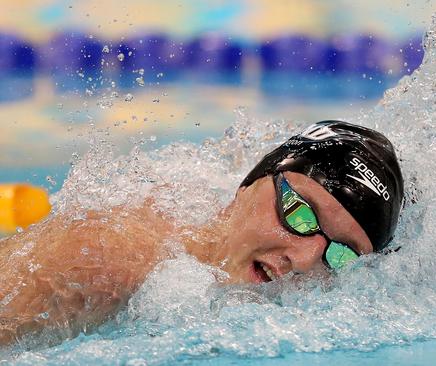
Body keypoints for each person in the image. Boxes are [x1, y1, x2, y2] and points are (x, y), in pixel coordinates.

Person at [0, 120, 404, 347]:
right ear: (249, 184)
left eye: (342, 255)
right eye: (299, 214)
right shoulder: (108, 262)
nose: (303, 261)